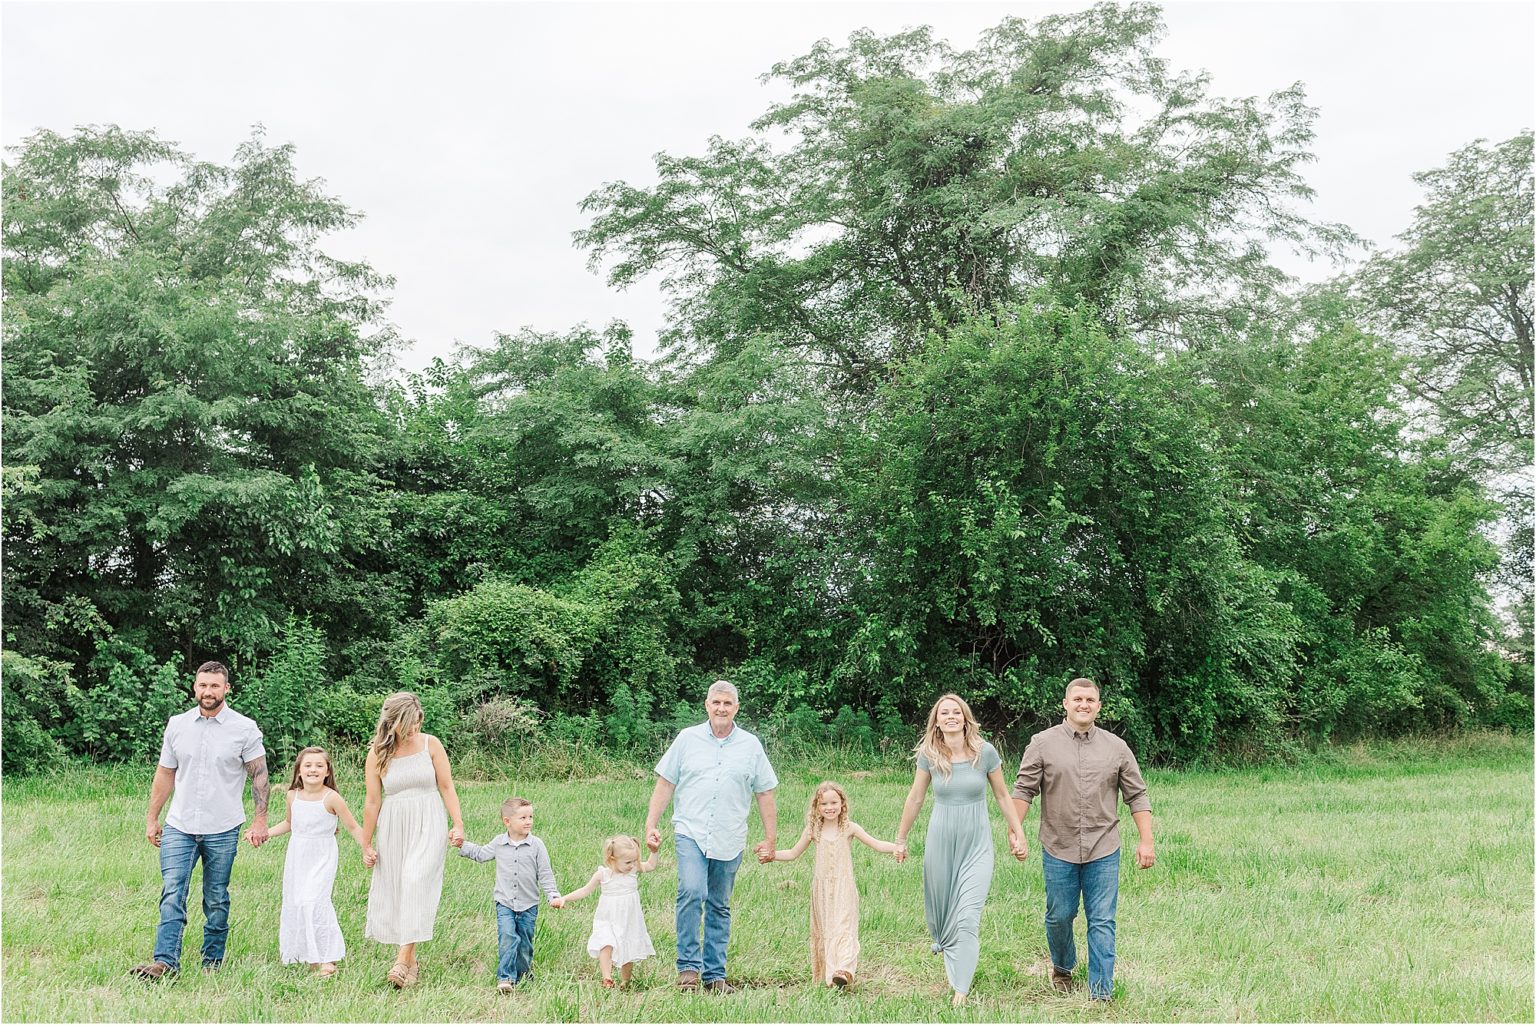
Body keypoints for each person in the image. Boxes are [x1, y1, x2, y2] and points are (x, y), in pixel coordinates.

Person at [1011, 677, 1154, 1002]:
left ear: (1099, 706)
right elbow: (1023, 790)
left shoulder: (1116, 748)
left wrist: (1147, 840)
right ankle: (1062, 967)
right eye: (1077, 699)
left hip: (1103, 848)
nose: (1083, 704)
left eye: (1090, 700)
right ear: (1065, 704)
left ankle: (1101, 992)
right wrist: (1015, 831)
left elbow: (1137, 795)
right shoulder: (1042, 743)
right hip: (1057, 847)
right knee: (1059, 916)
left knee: (1102, 919)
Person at [130, 661, 269, 980]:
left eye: (215, 686)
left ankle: (212, 961)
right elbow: (165, 773)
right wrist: (152, 818)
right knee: (172, 891)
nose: (208, 691)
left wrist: (260, 821)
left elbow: (259, 776)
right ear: (195, 687)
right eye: (203, 685)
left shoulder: (244, 728)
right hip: (180, 825)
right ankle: (165, 962)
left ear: (226, 689)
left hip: (222, 827)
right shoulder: (177, 725)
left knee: (216, 897)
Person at [645, 679, 778, 993]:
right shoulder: (687, 739)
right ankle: (689, 969)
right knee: (691, 892)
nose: (721, 708)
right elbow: (665, 783)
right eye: (716, 703)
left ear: (736, 708)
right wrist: (651, 823)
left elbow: (765, 793)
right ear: (707, 705)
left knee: (719, 904)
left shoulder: (750, 745)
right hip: (690, 831)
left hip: (729, 836)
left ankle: (715, 975)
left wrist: (770, 839)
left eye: (727, 704)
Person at [895, 693, 1027, 1006]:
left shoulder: (985, 752)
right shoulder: (929, 754)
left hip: (976, 844)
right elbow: (915, 798)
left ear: (965, 718)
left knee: (968, 915)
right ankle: (950, 954)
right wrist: (901, 838)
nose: (951, 716)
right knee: (944, 914)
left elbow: (1003, 797)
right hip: (940, 842)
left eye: (956, 712)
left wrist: (1018, 833)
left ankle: (961, 989)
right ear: (937, 721)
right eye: (945, 713)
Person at [361, 691, 466, 989]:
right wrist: (366, 843)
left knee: (415, 879)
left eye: (418, 723)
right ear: (392, 722)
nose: (414, 730)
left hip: (428, 819)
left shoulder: (431, 744)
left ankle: (401, 958)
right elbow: (371, 802)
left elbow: (446, 786)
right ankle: (412, 961)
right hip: (394, 823)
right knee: (399, 887)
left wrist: (457, 824)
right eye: (408, 725)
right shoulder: (378, 754)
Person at [763, 780, 904, 989]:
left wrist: (896, 847)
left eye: (834, 803)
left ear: (842, 804)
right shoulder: (813, 830)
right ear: (817, 807)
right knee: (827, 929)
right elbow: (793, 853)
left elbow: (876, 843)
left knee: (844, 926)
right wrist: (771, 855)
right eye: (824, 804)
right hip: (821, 891)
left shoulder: (849, 828)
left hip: (844, 887)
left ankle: (845, 969)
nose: (829, 808)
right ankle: (831, 977)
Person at [262, 746, 365, 976]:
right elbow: (289, 823)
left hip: (322, 855)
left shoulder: (332, 798)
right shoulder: (292, 795)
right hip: (298, 855)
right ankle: (309, 954)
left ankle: (329, 957)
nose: (313, 770)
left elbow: (352, 826)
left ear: (327, 771)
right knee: (297, 901)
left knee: (316, 901)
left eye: (319, 766)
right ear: (299, 771)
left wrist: (366, 848)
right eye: (308, 765)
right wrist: (265, 833)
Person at [452, 796, 561, 993]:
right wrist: (462, 845)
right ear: (507, 822)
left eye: (530, 817)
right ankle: (505, 978)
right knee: (508, 938)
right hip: (505, 903)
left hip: (529, 904)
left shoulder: (537, 845)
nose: (529, 821)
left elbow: (545, 874)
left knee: (525, 942)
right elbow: (481, 854)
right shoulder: (499, 843)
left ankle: (523, 973)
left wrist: (553, 895)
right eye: (523, 818)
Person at [551, 835, 659, 989]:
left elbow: (650, 866)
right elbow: (585, 890)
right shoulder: (603, 875)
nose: (632, 865)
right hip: (608, 917)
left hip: (629, 919)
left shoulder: (633, 870)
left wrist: (654, 852)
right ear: (612, 859)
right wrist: (564, 899)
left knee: (627, 950)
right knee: (605, 943)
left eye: (634, 861)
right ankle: (607, 978)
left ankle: (625, 981)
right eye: (628, 862)